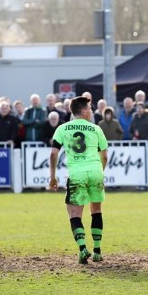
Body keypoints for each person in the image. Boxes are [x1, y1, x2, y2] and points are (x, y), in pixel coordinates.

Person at [49, 96, 108, 264]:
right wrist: (99, 172)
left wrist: (53, 177)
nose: (91, 111)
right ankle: (97, 251)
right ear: (83, 111)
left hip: (77, 173)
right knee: (96, 210)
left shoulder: (62, 128)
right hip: (96, 171)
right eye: (89, 108)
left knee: (74, 213)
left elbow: (53, 154)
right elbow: (104, 156)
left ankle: (83, 249)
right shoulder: (96, 129)